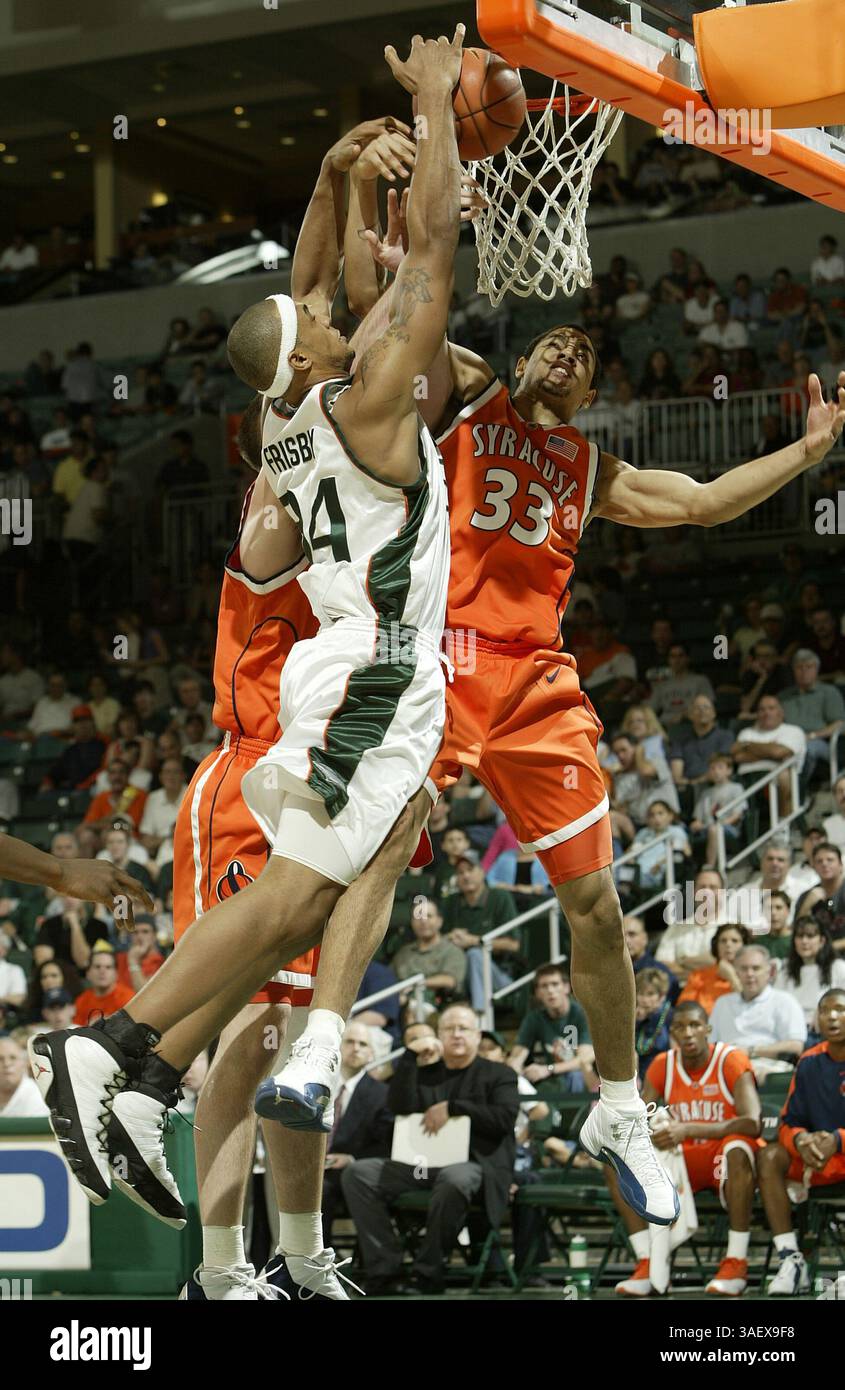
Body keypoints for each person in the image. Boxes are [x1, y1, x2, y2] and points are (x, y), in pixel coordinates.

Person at [340, 1004, 519, 1294]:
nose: (457, 1035)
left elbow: (504, 1119)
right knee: (358, 1173)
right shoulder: (427, 1070)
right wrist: (411, 1057)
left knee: (455, 1179)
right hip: (420, 1164)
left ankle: (428, 1271)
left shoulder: (499, 1073)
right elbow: (398, 1106)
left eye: (464, 1029)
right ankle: (386, 1269)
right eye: (449, 1029)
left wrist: (454, 1108)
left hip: (473, 1165)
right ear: (438, 1035)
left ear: (477, 1035)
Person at [611, 1002, 762, 1298]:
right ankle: (648, 1262)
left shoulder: (730, 1060)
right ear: (672, 1033)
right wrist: (654, 1132)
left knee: (737, 1147)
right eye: (679, 1027)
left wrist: (689, 1129)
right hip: (684, 1163)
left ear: (707, 1029)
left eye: (694, 1025)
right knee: (617, 1159)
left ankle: (736, 1261)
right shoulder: (663, 1064)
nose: (688, 1033)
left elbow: (753, 1123)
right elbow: (638, 1122)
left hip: (724, 1160)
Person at [758, 988, 845, 1295]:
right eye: (825, 1011)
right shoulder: (808, 1062)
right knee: (769, 1156)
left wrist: (838, 1139)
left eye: (839, 1010)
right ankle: (790, 1260)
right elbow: (788, 1121)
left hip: (841, 1151)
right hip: (815, 1156)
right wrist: (801, 1140)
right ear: (816, 1019)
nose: (832, 1017)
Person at [321, 1020, 393, 1247]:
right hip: (310, 1165)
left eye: (363, 1044)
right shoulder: (319, 1085)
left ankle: (315, 1261)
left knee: (320, 1190)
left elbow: (386, 1143)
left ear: (371, 1054)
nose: (356, 1048)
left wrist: (352, 1159)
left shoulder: (382, 1094)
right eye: (350, 1042)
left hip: (349, 1173)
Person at [440, 850, 520, 1014]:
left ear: (482, 872)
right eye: (461, 872)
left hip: (500, 975)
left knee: (475, 954)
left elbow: (514, 945)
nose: (466, 876)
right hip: (461, 974)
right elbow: (437, 939)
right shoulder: (451, 901)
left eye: (470, 870)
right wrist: (450, 937)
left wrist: (473, 941)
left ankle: (479, 1014)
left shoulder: (499, 897)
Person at [709, 944, 807, 1075]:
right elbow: (711, 1045)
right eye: (744, 968)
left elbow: (795, 1046)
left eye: (756, 968)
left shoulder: (784, 1001)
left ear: (769, 972)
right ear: (736, 972)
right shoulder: (722, 1003)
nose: (750, 974)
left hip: (769, 1068)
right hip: (727, 1067)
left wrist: (751, 1051)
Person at [508, 962, 595, 1093]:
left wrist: (548, 1069)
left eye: (555, 984)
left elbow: (583, 1060)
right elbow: (517, 1056)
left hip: (584, 1077)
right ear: (537, 993)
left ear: (566, 987)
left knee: (574, 1076)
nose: (550, 990)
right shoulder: (534, 1018)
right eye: (544, 986)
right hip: (553, 1077)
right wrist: (518, 1070)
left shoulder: (581, 1014)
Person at [781, 649, 845, 785]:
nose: (804, 671)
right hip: (786, 740)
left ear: (816, 669)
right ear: (793, 671)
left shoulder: (829, 692)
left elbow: (840, 724)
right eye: (799, 667)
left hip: (819, 742)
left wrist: (811, 736)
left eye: (809, 667)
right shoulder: (784, 696)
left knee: (806, 748)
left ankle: (799, 792)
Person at [392, 897, 467, 1003]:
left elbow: (450, 981)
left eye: (429, 916)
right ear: (412, 922)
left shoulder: (452, 951)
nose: (423, 921)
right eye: (418, 917)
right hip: (400, 1005)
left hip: (436, 1005)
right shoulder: (403, 953)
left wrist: (414, 985)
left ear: (439, 921)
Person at [774, 917, 845, 1028]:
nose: (804, 941)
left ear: (822, 941)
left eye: (810, 936)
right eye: (800, 936)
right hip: (789, 1028)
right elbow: (776, 1002)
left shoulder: (837, 967)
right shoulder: (786, 969)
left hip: (823, 1029)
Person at [676, 923, 750, 1017]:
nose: (728, 944)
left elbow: (750, 1009)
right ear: (716, 946)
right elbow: (683, 1009)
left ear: (744, 946)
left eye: (734, 941)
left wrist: (732, 978)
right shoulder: (699, 976)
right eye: (723, 941)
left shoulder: (751, 975)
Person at [687, 753, 747, 864]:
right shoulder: (705, 793)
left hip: (729, 828)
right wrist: (696, 824)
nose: (716, 771)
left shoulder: (736, 788)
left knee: (714, 829)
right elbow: (698, 818)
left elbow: (737, 814)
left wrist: (720, 824)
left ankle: (710, 866)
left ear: (729, 770)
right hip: (706, 828)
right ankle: (689, 874)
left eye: (720, 767)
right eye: (712, 768)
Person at [73, 950, 135, 1026]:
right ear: (88, 973)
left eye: (108, 967)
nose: (102, 971)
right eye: (97, 967)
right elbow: (76, 1030)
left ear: (116, 974)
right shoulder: (81, 1001)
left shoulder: (128, 998)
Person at [634, 967, 673, 1081]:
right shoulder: (634, 1018)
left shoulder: (671, 1017)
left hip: (664, 1077)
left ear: (661, 995)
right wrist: (635, 1023)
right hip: (639, 1080)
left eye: (650, 994)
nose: (645, 1000)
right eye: (641, 993)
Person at [0, 1037, 49, 1118]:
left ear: (24, 1063)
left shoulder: (36, 1097)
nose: (7, 1064)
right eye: (0, 1059)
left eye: (13, 1058)